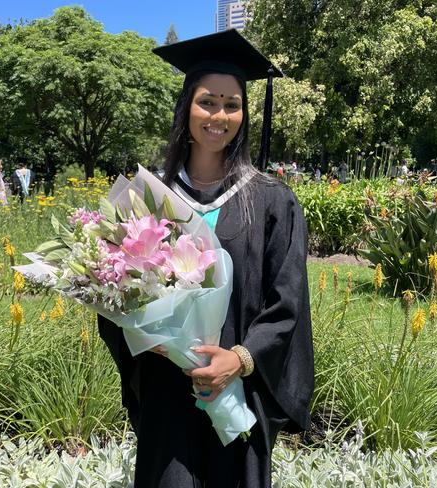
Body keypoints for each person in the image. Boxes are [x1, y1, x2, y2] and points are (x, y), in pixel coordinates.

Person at [97, 30, 314, 488]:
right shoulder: (148, 198)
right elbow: (111, 287)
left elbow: (287, 302)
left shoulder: (272, 201)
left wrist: (239, 359)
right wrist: (146, 336)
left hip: (237, 390)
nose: (219, 116)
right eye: (207, 102)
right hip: (165, 386)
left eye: (231, 104)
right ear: (186, 108)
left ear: (244, 114)